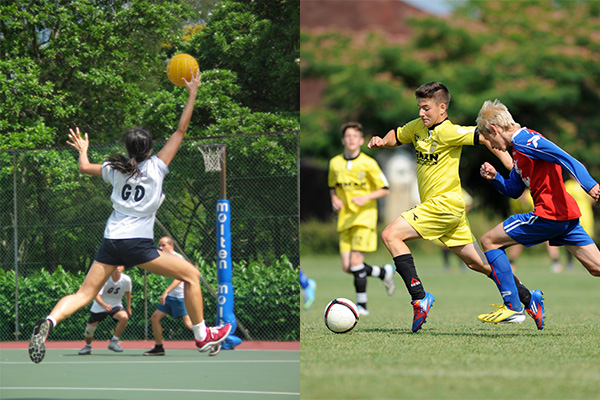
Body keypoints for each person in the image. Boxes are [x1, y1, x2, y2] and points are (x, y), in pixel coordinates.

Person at [28, 69, 231, 364]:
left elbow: (85, 168)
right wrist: (192, 93)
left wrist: (83, 150)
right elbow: (180, 131)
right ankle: (201, 336)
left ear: (127, 149)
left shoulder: (114, 170)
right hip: (137, 244)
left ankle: (49, 323)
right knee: (192, 275)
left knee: (84, 294)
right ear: (150, 148)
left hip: (111, 241)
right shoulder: (157, 166)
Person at [367, 82, 543, 332]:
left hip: (443, 206)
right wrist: (382, 142)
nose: (421, 113)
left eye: (426, 108)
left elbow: (485, 138)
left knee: (390, 235)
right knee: (479, 264)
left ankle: (419, 297)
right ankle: (528, 297)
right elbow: (397, 135)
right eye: (419, 108)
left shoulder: (448, 132)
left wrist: (510, 164)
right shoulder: (418, 127)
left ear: (442, 108)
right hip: (447, 210)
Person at [475, 99, 600, 327]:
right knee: (597, 268)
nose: (494, 146)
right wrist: (495, 178)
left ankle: (513, 307)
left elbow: (567, 158)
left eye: (490, 140)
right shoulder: (518, 151)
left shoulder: (527, 141)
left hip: (549, 215)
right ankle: (524, 303)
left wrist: (589, 184)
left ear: (494, 129)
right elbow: (514, 190)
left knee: (489, 241)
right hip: (564, 218)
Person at [328, 121, 396, 316]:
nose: (351, 139)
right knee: (347, 267)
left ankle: (362, 307)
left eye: (354, 136)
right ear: (343, 140)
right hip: (345, 219)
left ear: (360, 140)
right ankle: (383, 273)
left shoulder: (368, 163)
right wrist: (334, 199)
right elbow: (332, 187)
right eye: (348, 136)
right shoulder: (334, 163)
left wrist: (366, 197)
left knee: (356, 262)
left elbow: (384, 189)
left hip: (364, 218)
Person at [143, 237, 193, 356]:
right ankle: (159, 347)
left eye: (163, 245)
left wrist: (166, 292)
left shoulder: (178, 258)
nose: (160, 248)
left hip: (181, 297)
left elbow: (179, 278)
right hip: (171, 297)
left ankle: (212, 339)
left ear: (171, 246)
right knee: (155, 318)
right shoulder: (163, 258)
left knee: (189, 324)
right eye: (159, 245)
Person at [78, 265, 132, 355]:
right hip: (100, 305)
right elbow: (97, 296)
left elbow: (128, 293)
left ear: (123, 267)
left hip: (115, 305)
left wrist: (128, 308)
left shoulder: (126, 280)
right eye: (116, 266)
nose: (117, 268)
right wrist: (104, 305)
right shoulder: (105, 279)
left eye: (120, 266)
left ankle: (114, 342)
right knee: (89, 330)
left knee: (124, 317)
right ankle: (88, 346)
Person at [507, 190, 564, 273]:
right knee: (517, 240)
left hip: (538, 221)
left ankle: (556, 263)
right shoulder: (514, 200)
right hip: (525, 223)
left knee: (548, 240)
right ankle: (511, 263)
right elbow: (516, 214)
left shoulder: (531, 197)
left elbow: (539, 212)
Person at [564, 176, 596, 270]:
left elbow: (593, 200)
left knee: (588, 239)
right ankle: (569, 262)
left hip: (586, 215)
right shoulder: (569, 185)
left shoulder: (586, 184)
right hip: (573, 215)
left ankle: (590, 263)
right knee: (570, 239)